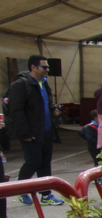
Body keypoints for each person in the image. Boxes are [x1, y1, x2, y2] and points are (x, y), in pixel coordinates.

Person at [6, 54, 64, 206]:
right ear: (33, 67)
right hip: (31, 132)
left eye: (47, 67)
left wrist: (53, 110)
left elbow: (46, 103)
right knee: (33, 162)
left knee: (45, 163)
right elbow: (16, 111)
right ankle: (20, 188)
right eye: (44, 67)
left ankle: (46, 194)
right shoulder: (21, 84)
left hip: (45, 129)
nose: (47, 70)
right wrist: (24, 133)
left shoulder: (44, 83)